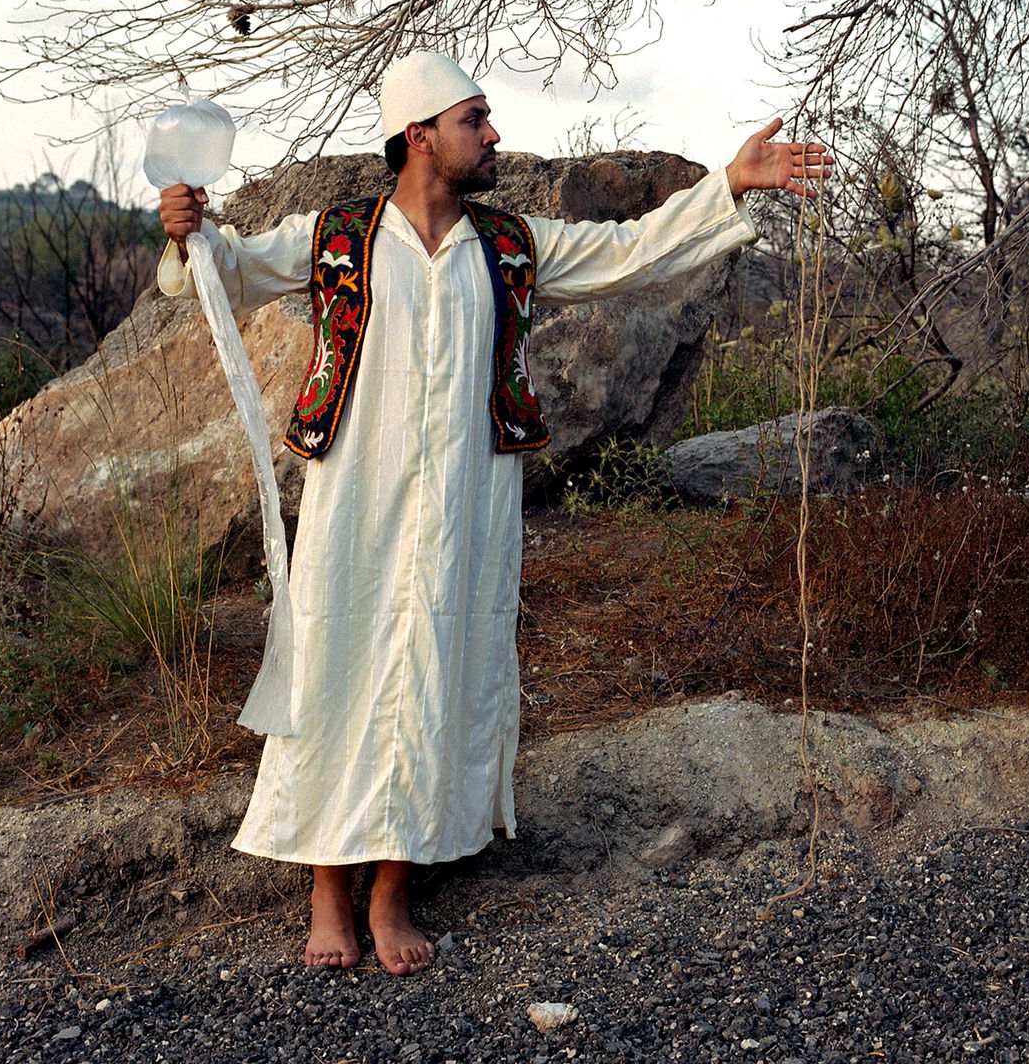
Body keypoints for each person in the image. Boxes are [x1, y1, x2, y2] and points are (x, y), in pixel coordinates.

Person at [156, 53, 833, 974]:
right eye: (475, 119)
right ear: (420, 135)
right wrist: (188, 234)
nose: (494, 135)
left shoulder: (510, 245)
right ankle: (327, 889)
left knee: (441, 669)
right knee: (336, 670)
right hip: (355, 503)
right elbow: (225, 275)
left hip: (468, 506)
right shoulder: (338, 236)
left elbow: (630, 254)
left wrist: (728, 185)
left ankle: (392, 889)